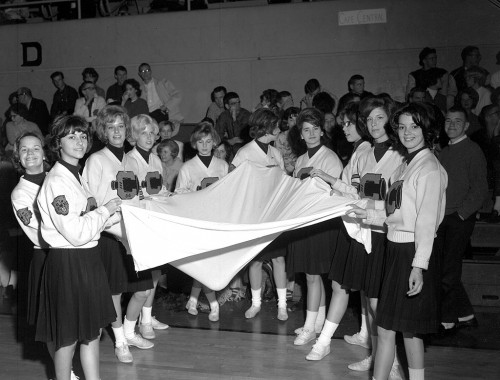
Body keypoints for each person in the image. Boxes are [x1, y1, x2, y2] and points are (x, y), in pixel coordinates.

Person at [347, 102, 447, 380]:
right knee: (404, 329)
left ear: (427, 128)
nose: (407, 132)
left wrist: (419, 266)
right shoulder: (407, 163)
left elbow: (426, 224)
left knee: (393, 328)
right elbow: (396, 212)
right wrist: (367, 213)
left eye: (414, 126)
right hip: (396, 250)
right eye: (402, 127)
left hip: (411, 254)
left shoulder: (429, 168)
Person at [36, 115, 121, 380]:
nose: (79, 141)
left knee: (92, 333)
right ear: (57, 143)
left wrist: (123, 212)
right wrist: (106, 209)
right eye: (71, 136)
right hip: (69, 262)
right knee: (68, 338)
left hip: (88, 260)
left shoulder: (77, 176)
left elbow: (92, 220)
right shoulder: (57, 182)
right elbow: (76, 232)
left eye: (83, 136)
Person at [82, 106, 158, 364]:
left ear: (127, 131)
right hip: (110, 236)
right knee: (115, 293)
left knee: (142, 290)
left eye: (121, 126)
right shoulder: (96, 160)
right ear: (104, 130)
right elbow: (89, 200)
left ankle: (129, 330)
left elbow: (135, 195)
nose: (117, 131)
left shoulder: (130, 160)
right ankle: (120, 342)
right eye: (111, 126)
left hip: (133, 233)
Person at [303, 101, 370, 359]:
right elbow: (351, 188)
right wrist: (331, 183)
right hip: (355, 224)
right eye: (343, 123)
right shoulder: (359, 151)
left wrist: (331, 185)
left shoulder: (366, 152)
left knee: (349, 285)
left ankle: (327, 340)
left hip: (365, 226)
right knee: (358, 287)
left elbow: (362, 193)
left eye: (349, 123)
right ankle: (360, 334)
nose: (344, 128)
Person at [286, 108, 343, 346]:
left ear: (322, 130)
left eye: (315, 129)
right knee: (312, 276)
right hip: (304, 222)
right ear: (300, 134)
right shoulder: (300, 160)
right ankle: (316, 322)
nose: (311, 134)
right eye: (306, 130)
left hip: (322, 224)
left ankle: (310, 328)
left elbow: (338, 192)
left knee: (312, 276)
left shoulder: (330, 157)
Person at [231, 108, 288, 321]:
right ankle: (256, 304)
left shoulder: (276, 153)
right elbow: (232, 183)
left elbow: (283, 184)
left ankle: (282, 305)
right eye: (275, 124)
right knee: (254, 261)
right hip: (253, 216)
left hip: (275, 215)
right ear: (265, 126)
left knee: (279, 259)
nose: (279, 128)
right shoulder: (244, 153)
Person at [436, 107, 488, 334]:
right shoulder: (445, 151)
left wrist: (461, 214)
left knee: (448, 270)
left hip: (458, 218)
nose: (452, 125)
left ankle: (448, 319)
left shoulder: (472, 150)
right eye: (448, 121)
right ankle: (465, 314)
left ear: (466, 126)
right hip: (443, 217)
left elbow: (480, 188)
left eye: (457, 121)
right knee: (444, 268)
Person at [176, 123, 228, 321]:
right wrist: (194, 196)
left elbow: (229, 193)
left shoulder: (223, 166)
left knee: (211, 264)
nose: (205, 145)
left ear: (214, 143)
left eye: (208, 141)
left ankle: (193, 299)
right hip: (196, 221)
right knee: (203, 264)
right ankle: (213, 304)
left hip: (217, 221)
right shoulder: (187, 167)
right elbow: (179, 193)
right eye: (200, 142)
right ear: (195, 144)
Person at [124, 114, 170, 335]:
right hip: (139, 222)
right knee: (145, 277)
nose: (150, 137)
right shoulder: (129, 160)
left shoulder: (156, 160)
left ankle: (148, 318)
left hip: (156, 220)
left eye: (152, 132)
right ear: (134, 135)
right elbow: (129, 196)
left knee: (155, 273)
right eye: (144, 132)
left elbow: (159, 190)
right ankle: (139, 324)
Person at [275, 106, 299, 175]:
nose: (295, 123)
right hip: (285, 172)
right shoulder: (281, 137)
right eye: (291, 120)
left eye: (297, 120)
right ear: (286, 122)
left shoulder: (304, 135)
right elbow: (279, 158)